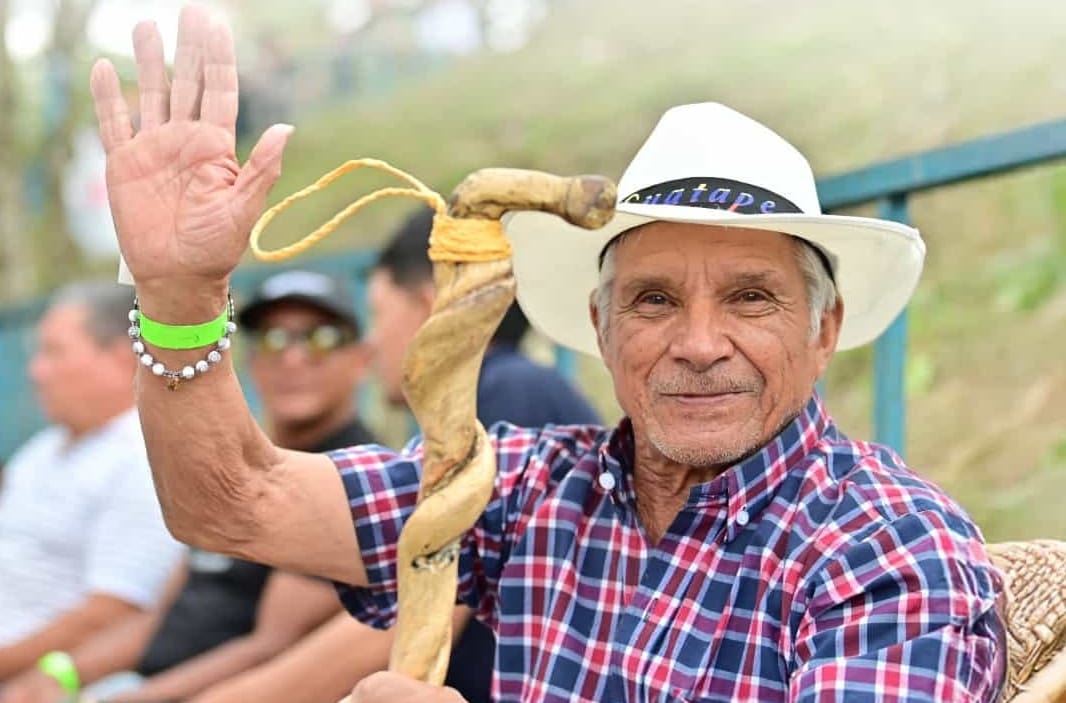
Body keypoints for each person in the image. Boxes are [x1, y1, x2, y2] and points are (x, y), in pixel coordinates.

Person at [88, 6, 1006, 702]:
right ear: (602, 330)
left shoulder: (888, 550)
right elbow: (234, 503)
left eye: (750, 297)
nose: (697, 343)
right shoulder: (525, 488)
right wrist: (178, 296)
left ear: (825, 326)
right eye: (653, 300)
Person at [189, 210, 600, 703]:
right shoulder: (499, 395)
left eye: (378, 313)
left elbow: (428, 603)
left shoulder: (510, 394)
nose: (374, 341)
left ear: (431, 307)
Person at [0, 271, 376, 703]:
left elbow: (272, 647)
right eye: (272, 339)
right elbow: (162, 615)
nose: (292, 358)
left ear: (362, 359)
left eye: (321, 338)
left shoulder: (352, 476)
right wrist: (60, 675)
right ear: (249, 361)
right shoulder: (235, 463)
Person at [0, 282, 182, 684]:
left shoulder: (143, 457)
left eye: (54, 352)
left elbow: (113, 614)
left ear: (120, 359)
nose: (36, 371)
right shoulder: (44, 447)